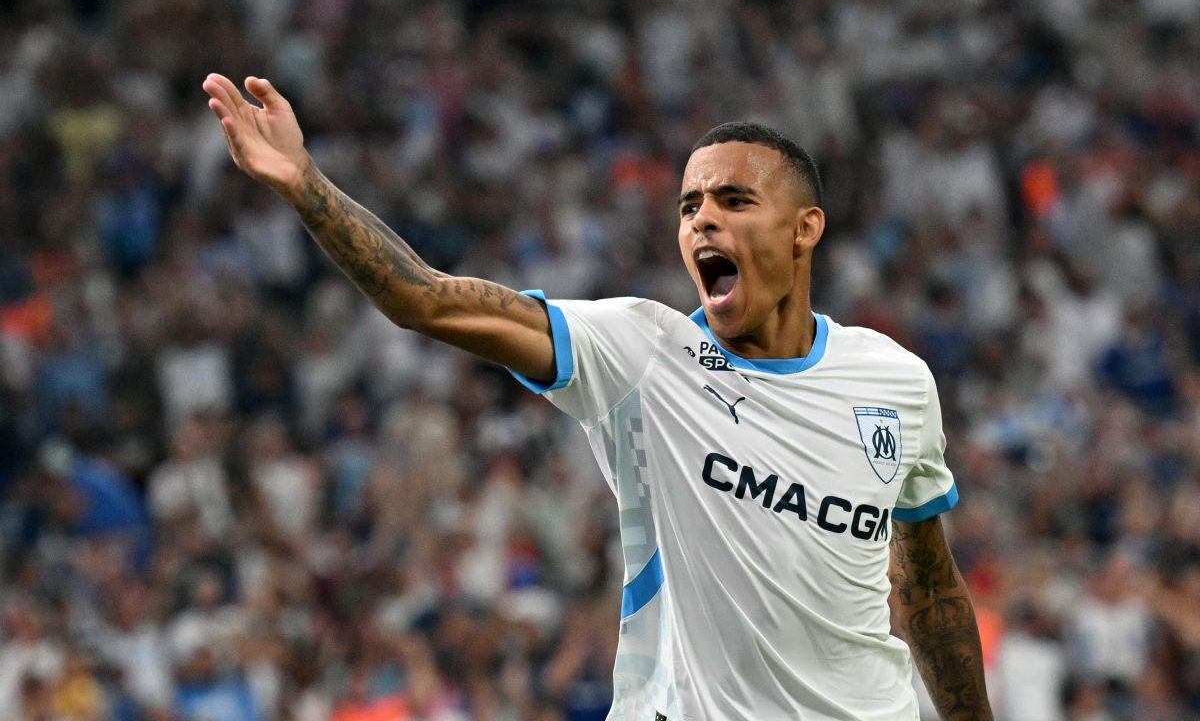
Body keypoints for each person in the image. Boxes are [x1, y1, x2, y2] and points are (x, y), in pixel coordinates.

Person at [202, 73, 993, 721]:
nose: (703, 220)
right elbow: (428, 299)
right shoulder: (642, 353)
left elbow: (927, 587)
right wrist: (305, 186)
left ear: (805, 228)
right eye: (690, 207)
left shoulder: (895, 382)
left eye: (734, 201)